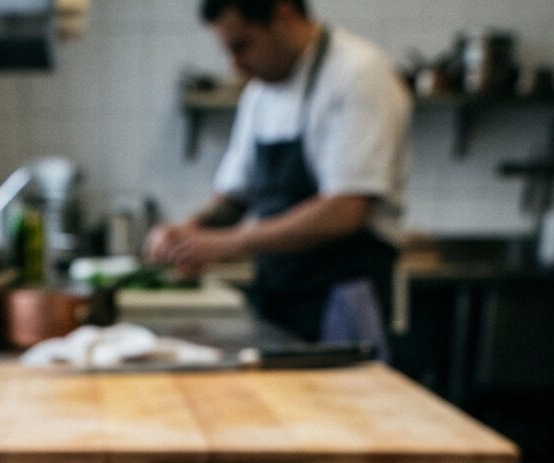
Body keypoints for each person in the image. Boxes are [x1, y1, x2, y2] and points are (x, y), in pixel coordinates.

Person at [147, 0, 411, 344]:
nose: (235, 65)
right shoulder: (259, 93)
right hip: (278, 294)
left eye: (242, 45)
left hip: (342, 296)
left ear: (283, 14)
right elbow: (234, 197)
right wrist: (188, 232)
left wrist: (227, 244)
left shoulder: (359, 73)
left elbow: (347, 209)